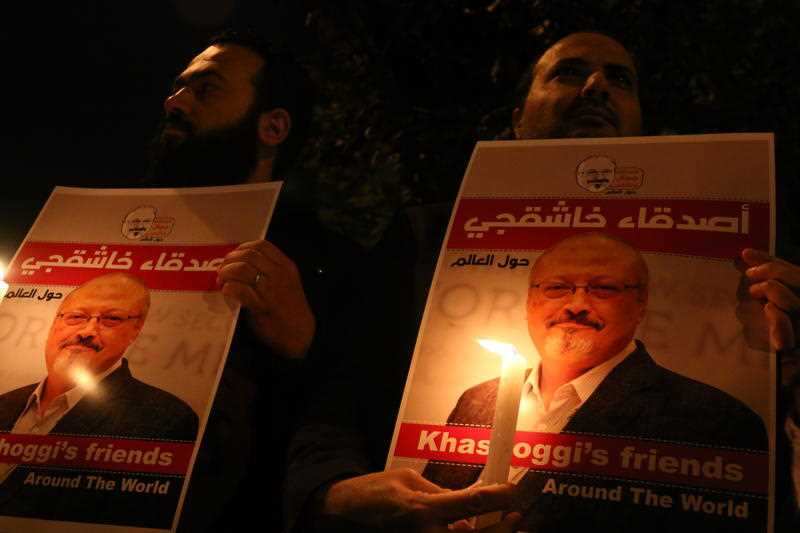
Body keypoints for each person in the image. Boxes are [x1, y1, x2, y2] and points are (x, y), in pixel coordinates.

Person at [287, 31, 800, 532]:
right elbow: (340, 394)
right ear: (516, 118)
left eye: (620, 79)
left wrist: (792, 370)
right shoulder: (427, 241)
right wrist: (332, 491)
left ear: (642, 301)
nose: (596, 85)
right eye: (569, 72)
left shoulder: (718, 414)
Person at [145, 29, 369, 532]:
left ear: (273, 126)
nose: (175, 102)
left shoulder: (334, 263)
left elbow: (349, 416)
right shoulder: (104, 240)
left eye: (205, 90)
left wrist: (304, 344)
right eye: (178, 88)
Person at [423, 233, 767, 531]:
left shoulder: (713, 421)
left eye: (603, 288)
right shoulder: (477, 398)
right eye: (557, 288)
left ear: (640, 304)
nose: (576, 305)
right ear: (530, 301)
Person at [0, 272, 198, 525]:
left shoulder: (166, 420)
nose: (87, 331)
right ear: (53, 325)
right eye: (76, 317)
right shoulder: (4, 402)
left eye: (111, 319)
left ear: (135, 332)